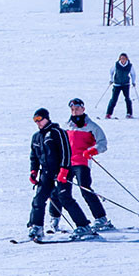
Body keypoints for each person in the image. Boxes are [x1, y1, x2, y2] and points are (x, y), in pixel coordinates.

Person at [26, 109, 95, 243]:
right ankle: (36, 226)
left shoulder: (57, 132)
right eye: (35, 120)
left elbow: (66, 152)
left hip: (61, 171)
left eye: (39, 119)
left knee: (64, 198)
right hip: (46, 173)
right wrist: (33, 171)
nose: (38, 123)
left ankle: (83, 226)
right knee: (38, 199)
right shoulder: (36, 137)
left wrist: (64, 169)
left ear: (46, 118)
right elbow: (34, 156)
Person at [53, 99, 114, 232]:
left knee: (85, 189)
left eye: (77, 109)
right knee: (62, 191)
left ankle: (101, 218)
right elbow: (60, 145)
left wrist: (93, 150)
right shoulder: (66, 126)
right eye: (72, 109)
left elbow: (102, 143)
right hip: (66, 163)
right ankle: (55, 218)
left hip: (82, 162)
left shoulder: (92, 126)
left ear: (83, 109)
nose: (74, 111)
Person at [106, 53, 135, 118]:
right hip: (117, 84)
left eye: (124, 59)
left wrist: (133, 82)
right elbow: (111, 72)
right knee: (114, 99)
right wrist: (111, 80)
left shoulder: (129, 65)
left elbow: (133, 74)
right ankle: (108, 114)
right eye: (121, 58)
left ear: (126, 59)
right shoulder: (116, 65)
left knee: (127, 99)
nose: (122, 60)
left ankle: (129, 113)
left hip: (126, 84)